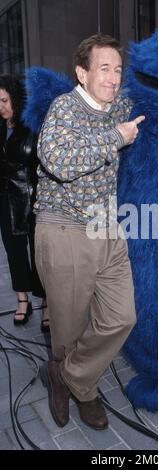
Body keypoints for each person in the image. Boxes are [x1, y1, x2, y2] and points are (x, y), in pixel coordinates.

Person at [35, 34, 145, 429]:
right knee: (68, 328)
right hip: (64, 227)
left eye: (118, 70)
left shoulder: (120, 106)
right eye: (104, 68)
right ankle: (80, 387)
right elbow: (58, 160)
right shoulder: (64, 107)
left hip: (107, 226)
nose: (114, 77)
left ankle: (69, 377)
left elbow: (157, 110)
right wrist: (117, 137)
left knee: (122, 316)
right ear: (82, 73)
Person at [0, 74, 49, 332]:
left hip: (31, 197)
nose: (1, 107)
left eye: (4, 100)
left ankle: (46, 304)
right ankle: (23, 302)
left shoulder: (31, 125)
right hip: (5, 199)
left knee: (38, 253)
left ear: (15, 99)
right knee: (14, 253)